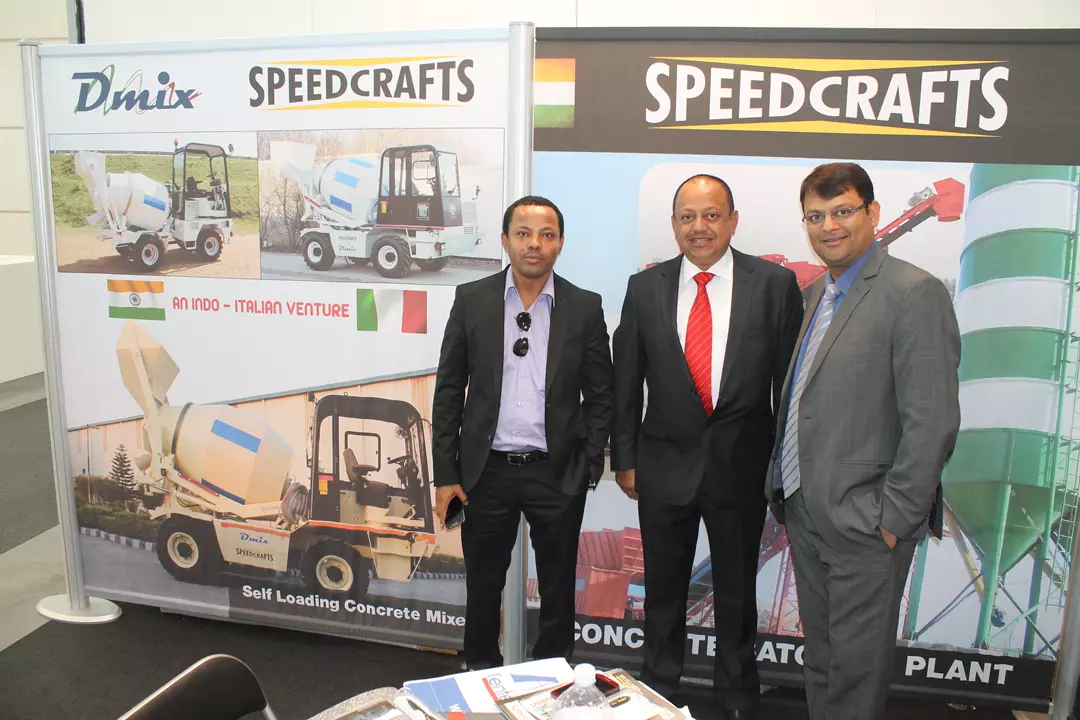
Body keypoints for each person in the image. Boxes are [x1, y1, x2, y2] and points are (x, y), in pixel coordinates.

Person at [766, 163, 960, 720]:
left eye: (842, 211)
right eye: (816, 216)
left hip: (867, 525)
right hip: (805, 512)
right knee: (822, 663)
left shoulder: (913, 292)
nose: (828, 226)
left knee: (856, 674)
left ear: (872, 213)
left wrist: (892, 520)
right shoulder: (815, 297)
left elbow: (932, 420)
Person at [612, 175, 803, 719]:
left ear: (733, 221)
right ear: (674, 225)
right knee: (664, 594)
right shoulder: (644, 288)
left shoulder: (774, 285)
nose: (700, 227)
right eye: (688, 217)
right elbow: (627, 381)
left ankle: (737, 699)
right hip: (661, 469)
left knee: (737, 594)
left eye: (712, 215)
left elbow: (790, 387)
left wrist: (782, 468)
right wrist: (624, 459)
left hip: (741, 470)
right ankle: (657, 695)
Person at [432, 195, 613, 669]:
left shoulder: (585, 306)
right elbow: (449, 390)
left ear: (560, 243)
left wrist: (588, 463)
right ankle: (480, 671)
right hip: (485, 473)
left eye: (546, 235)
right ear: (505, 240)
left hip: (557, 472)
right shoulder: (471, 300)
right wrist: (446, 475)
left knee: (557, 585)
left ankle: (553, 676)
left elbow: (601, 394)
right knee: (483, 584)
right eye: (524, 234)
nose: (535, 244)